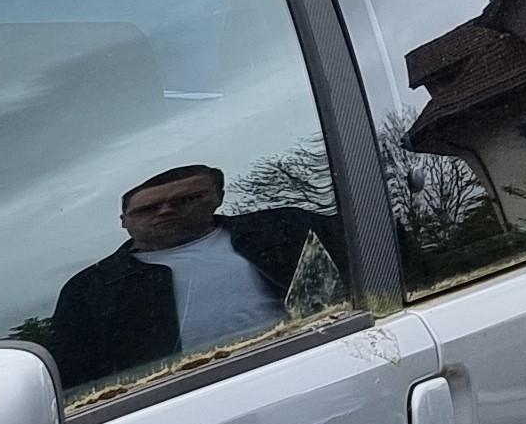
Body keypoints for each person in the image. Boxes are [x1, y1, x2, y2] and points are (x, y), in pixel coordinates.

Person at [44, 164, 341, 390]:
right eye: (148, 209)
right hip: (178, 401)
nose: (166, 211)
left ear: (217, 197)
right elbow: (79, 380)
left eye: (187, 199)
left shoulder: (287, 228)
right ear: (125, 222)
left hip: (325, 360)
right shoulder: (91, 289)